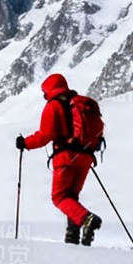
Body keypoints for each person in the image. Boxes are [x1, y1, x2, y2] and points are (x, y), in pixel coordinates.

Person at [15, 73, 102, 246]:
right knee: (72, 197)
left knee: (60, 197)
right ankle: (72, 238)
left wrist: (25, 143)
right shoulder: (78, 103)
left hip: (65, 158)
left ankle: (87, 220)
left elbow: (45, 135)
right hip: (85, 157)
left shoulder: (53, 106)